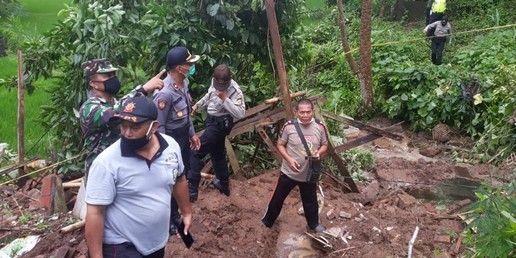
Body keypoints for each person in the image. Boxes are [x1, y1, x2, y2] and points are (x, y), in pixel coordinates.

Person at [85, 96, 193, 258]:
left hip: (156, 242)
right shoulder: (106, 163)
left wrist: (186, 212)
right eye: (123, 126)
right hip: (121, 244)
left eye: (135, 127)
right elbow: (95, 212)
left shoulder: (171, 147)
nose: (127, 133)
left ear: (154, 127)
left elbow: (179, 179)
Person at [79, 58, 165, 179]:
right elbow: (113, 114)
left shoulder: (114, 101)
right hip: (101, 172)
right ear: (93, 83)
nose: (112, 78)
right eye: (106, 76)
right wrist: (143, 89)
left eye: (113, 74)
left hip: (121, 167)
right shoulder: (89, 108)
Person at [152, 46, 200, 234]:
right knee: (169, 180)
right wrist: (165, 150)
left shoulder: (184, 83)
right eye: (189, 64)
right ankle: (169, 218)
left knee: (181, 175)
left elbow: (186, 114)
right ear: (179, 68)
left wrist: (192, 133)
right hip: (169, 139)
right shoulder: (164, 93)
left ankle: (175, 214)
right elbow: (159, 125)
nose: (192, 66)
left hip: (182, 137)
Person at [261, 99, 328, 233]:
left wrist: (318, 153)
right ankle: (267, 222)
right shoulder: (289, 127)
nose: (305, 115)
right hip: (289, 172)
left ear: (313, 112)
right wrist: (289, 159)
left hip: (309, 174)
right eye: (302, 112)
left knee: (310, 201)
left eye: (308, 112)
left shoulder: (320, 126)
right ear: (296, 112)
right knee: (277, 198)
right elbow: (280, 144)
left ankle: (313, 224)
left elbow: (325, 145)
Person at [188, 64, 245, 201]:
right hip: (211, 120)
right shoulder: (214, 83)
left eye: (222, 86)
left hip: (220, 124)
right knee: (217, 153)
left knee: (195, 152)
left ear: (230, 79)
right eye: (217, 85)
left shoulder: (235, 91)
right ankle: (224, 184)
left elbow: (240, 113)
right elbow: (209, 95)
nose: (219, 89)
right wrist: (197, 105)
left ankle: (191, 191)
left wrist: (225, 99)